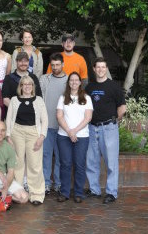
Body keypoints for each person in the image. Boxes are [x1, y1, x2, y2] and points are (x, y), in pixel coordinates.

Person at [85, 57, 126, 204]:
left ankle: (111, 192)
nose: (101, 70)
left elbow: (122, 107)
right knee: (91, 160)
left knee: (111, 162)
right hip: (91, 128)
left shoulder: (114, 86)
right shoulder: (89, 87)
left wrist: (114, 120)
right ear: (94, 69)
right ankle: (94, 190)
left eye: (103, 67)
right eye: (98, 67)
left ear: (106, 68)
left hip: (108, 128)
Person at [5, 76, 47, 205]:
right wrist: (8, 136)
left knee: (34, 164)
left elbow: (45, 120)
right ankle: (19, 192)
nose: (27, 86)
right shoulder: (14, 100)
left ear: (33, 87)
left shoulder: (39, 100)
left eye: (30, 84)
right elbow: (8, 118)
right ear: (21, 86)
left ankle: (37, 195)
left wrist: (42, 136)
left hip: (34, 132)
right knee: (17, 163)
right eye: (24, 84)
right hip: (17, 131)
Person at [56, 72, 93, 203]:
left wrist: (74, 131)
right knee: (65, 164)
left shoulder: (87, 98)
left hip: (81, 136)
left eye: (76, 80)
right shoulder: (62, 98)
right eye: (71, 80)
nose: (74, 82)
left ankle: (78, 193)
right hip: (63, 136)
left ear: (80, 82)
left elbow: (88, 117)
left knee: (79, 164)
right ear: (68, 82)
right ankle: (64, 193)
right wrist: (69, 131)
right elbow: (59, 116)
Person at [39, 53, 67, 195]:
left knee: (61, 157)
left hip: (63, 127)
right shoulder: (44, 79)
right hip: (47, 125)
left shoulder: (69, 81)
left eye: (58, 65)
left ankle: (59, 183)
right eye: (53, 65)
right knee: (46, 155)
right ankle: (46, 183)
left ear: (63, 64)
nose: (55, 68)